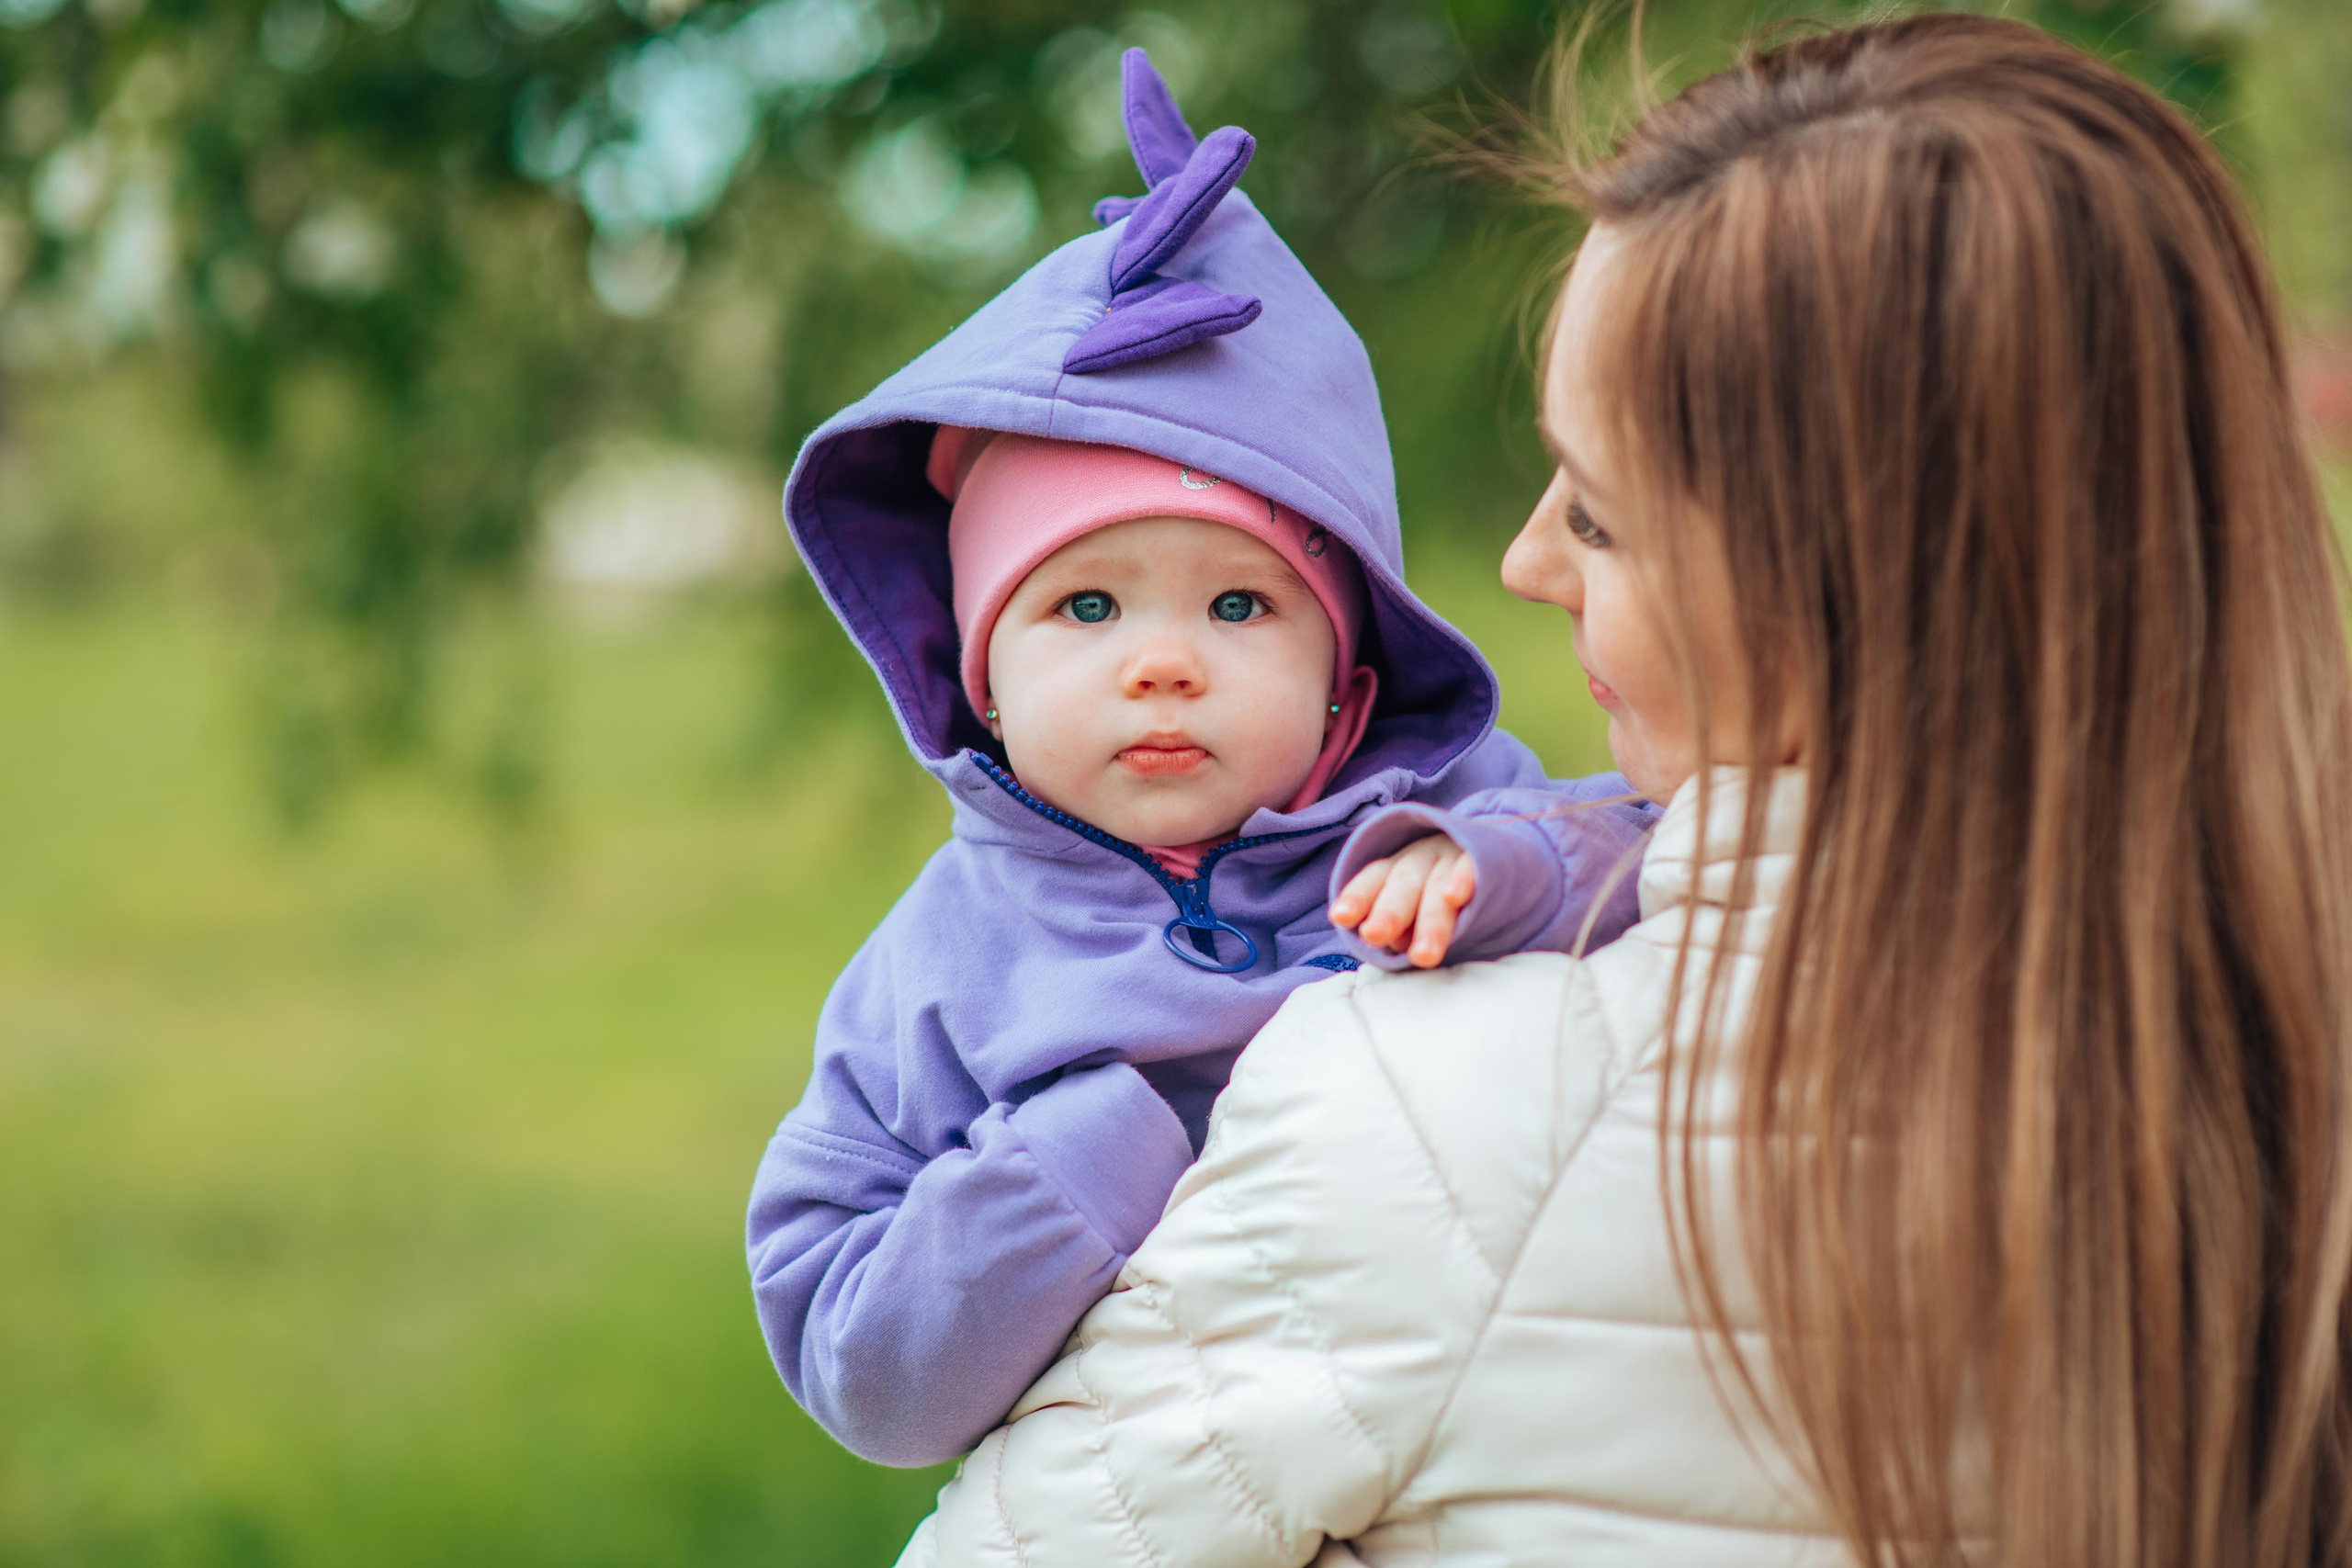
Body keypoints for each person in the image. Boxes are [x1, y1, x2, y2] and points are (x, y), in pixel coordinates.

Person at [893, 14, 2352, 1566]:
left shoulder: (1453, 1108)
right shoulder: (2287, 1065)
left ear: (1825, 584)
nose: (1522, 564)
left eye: (1596, 516)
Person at [744, 51, 1660, 1472]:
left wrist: (1505, 873)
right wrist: (1080, 1156)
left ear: (1348, 692)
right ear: (982, 681)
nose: (1161, 661)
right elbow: (865, 1377)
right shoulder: (940, 974)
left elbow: (1669, 843)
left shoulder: (1446, 811)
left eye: (1240, 607)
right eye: (1085, 606)